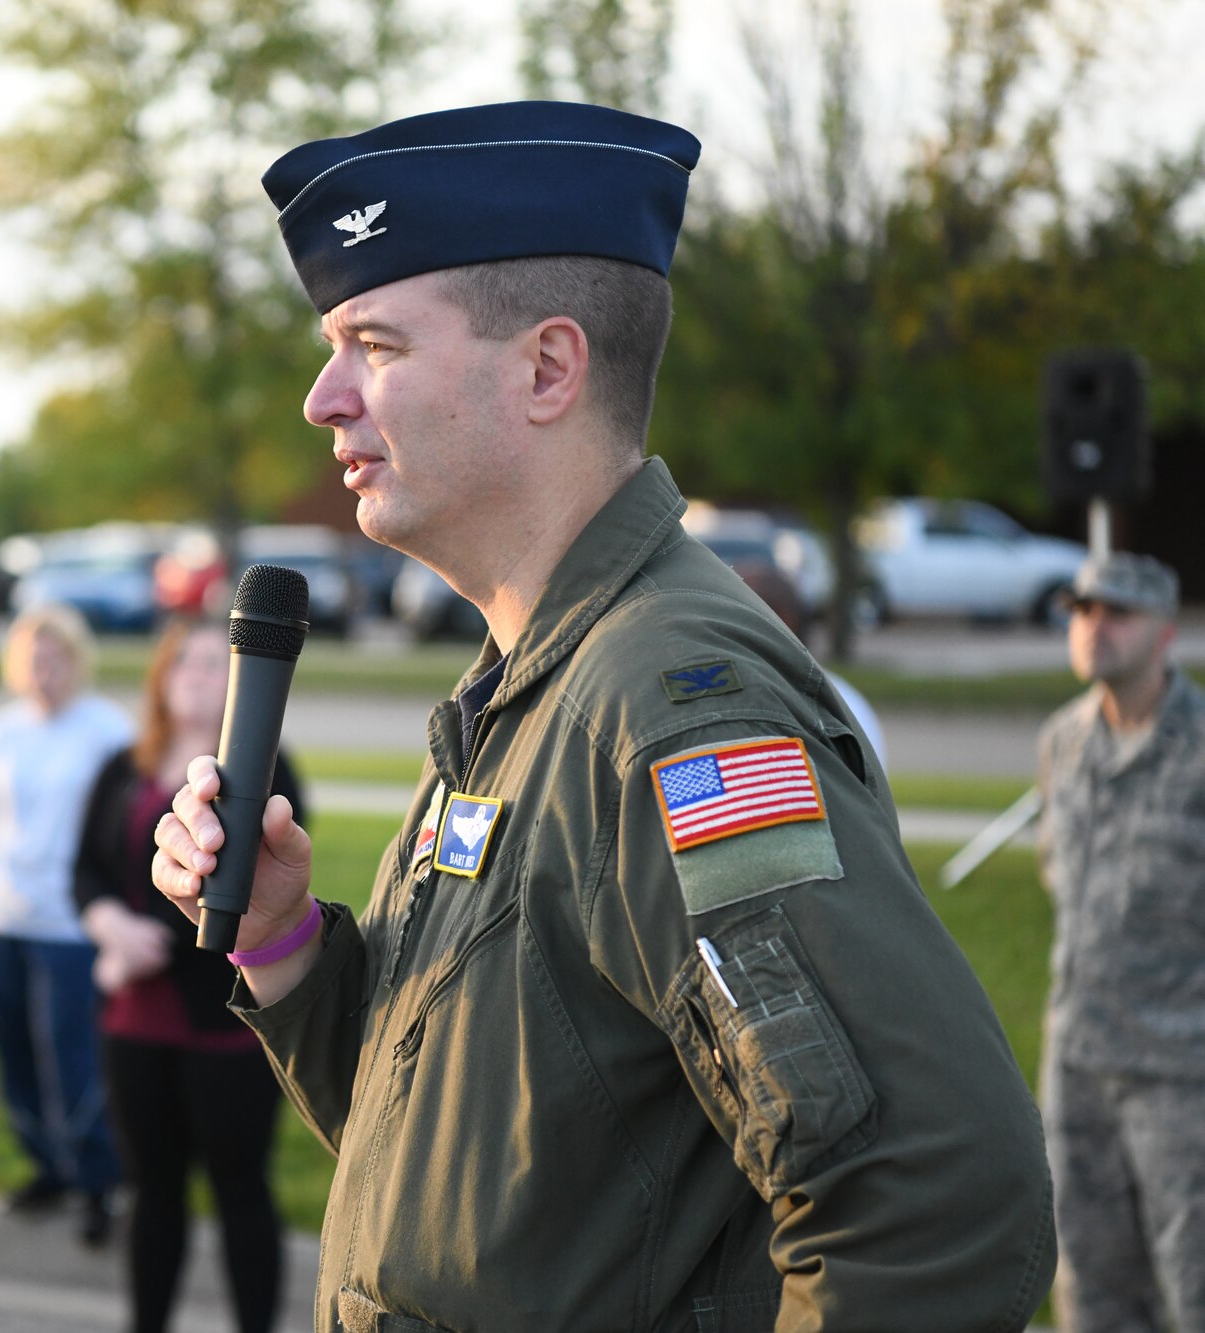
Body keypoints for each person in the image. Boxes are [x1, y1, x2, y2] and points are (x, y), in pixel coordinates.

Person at [151, 101, 1055, 1330]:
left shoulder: (668, 706)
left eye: (376, 345)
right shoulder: (530, 684)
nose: (323, 399)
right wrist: (281, 942)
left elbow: (931, 1206)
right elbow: (456, 1155)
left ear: (546, 368)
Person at [76, 618, 305, 1333]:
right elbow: (85, 871)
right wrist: (110, 931)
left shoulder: (268, 769)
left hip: (226, 1021)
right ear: (161, 678)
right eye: (185, 663)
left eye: (214, 664)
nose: (197, 676)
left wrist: (151, 947)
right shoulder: (124, 764)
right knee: (153, 1192)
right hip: (135, 1021)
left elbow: (247, 895)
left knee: (241, 1189)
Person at [1037, 552, 1205, 1333]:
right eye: (1081, 610)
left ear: (1166, 632)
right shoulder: (1061, 743)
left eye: (1117, 613)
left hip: (1182, 1072)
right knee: (1092, 1286)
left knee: (1193, 1280)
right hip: (1077, 1062)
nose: (1093, 629)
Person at [0, 603, 133, 1244]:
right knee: (13, 1054)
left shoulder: (107, 732)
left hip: (70, 925)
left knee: (73, 1060)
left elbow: (120, 832)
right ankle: (49, 1167)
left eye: (57, 659)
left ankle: (99, 1183)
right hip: (1, 915)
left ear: (78, 662)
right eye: (34, 660)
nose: (46, 672)